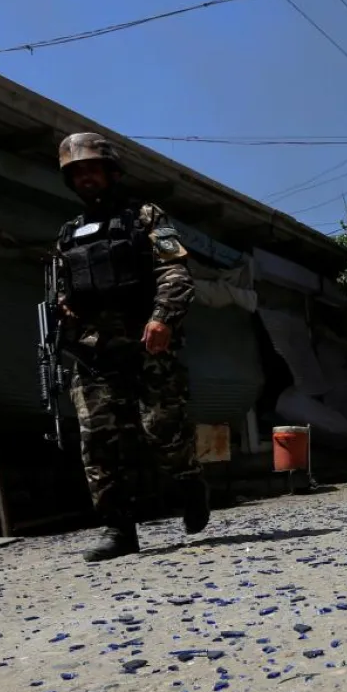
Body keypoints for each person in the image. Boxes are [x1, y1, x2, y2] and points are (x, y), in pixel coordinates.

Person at [52, 133, 209, 562]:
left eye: (92, 169)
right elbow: (62, 291)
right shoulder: (67, 235)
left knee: (162, 430)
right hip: (94, 352)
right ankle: (118, 529)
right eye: (77, 173)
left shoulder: (148, 217)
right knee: (98, 442)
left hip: (147, 342)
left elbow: (176, 271)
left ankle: (190, 480)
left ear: (111, 172)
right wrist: (64, 312)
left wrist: (163, 318)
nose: (85, 178)